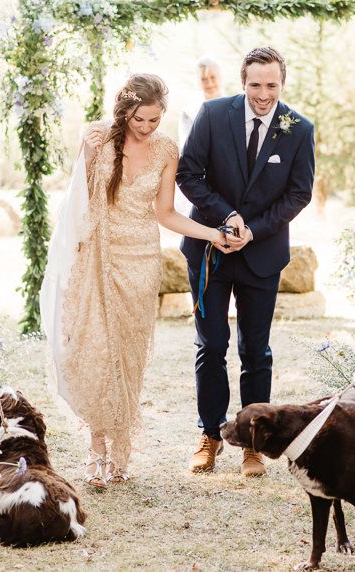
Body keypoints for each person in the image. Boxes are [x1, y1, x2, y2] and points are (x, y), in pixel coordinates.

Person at [40, 74, 227, 487]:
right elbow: (79, 200)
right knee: (98, 350)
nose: (146, 128)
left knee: (127, 355)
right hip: (99, 256)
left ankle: (121, 448)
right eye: (139, 120)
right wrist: (86, 158)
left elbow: (166, 213)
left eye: (154, 120)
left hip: (141, 261)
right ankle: (97, 447)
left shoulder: (166, 150)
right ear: (125, 113)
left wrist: (213, 233)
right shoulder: (99, 138)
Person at [176, 47, 315, 476]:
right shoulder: (212, 115)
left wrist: (251, 230)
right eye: (255, 84)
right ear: (243, 82)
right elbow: (188, 174)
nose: (263, 94)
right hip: (209, 253)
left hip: (262, 254)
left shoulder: (298, 128)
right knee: (211, 346)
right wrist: (227, 219)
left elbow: (299, 193)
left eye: (272, 85)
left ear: (282, 83)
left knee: (256, 351)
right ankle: (210, 435)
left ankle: (254, 444)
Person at [175, 56, 225, 214]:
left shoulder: (235, 104)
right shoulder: (190, 111)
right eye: (204, 79)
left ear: (220, 78)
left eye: (212, 78)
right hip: (201, 174)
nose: (209, 83)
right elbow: (187, 147)